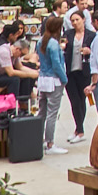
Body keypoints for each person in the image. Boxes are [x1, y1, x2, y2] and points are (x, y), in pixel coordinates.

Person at [35, 15, 69, 155]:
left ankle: (39, 139)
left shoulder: (40, 41)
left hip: (43, 79)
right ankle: (50, 143)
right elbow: (56, 64)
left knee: (42, 111)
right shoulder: (54, 44)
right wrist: (64, 79)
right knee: (52, 114)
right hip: (54, 80)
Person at [0, 23, 36, 98]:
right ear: (17, 49)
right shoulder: (4, 51)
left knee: (24, 77)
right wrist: (30, 74)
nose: (21, 57)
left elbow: (20, 67)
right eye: (21, 54)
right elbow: (11, 73)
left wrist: (34, 72)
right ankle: (12, 106)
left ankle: (23, 102)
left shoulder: (14, 52)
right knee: (14, 80)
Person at [63, 9, 94, 144]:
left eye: (77, 20)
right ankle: (79, 130)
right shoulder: (68, 34)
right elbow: (62, 46)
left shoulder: (91, 35)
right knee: (74, 101)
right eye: (73, 21)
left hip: (84, 71)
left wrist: (89, 51)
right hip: (70, 71)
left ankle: (79, 130)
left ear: (84, 20)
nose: (75, 23)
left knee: (82, 100)